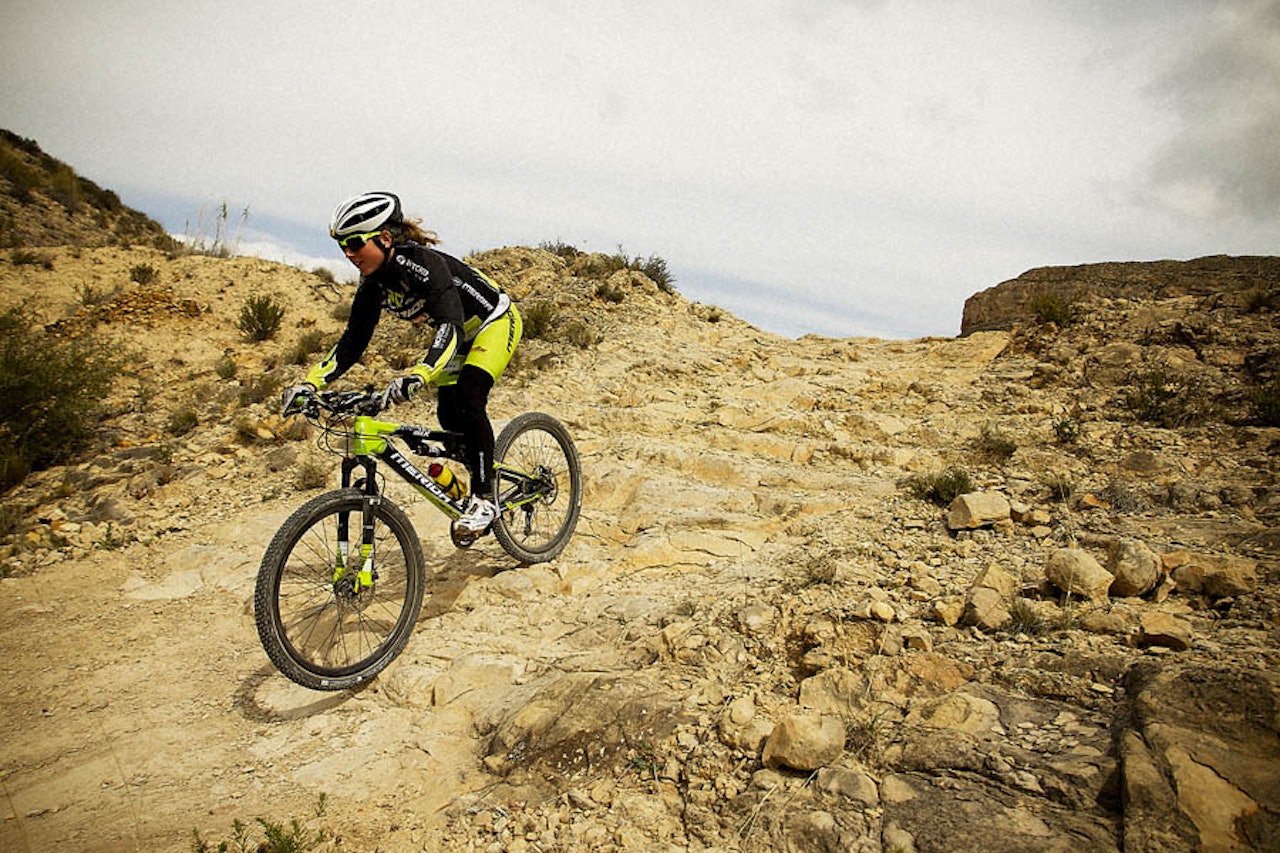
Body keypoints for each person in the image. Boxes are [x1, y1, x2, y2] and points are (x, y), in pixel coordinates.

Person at [281, 191, 522, 535]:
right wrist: (310, 384)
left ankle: (484, 498)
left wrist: (419, 375)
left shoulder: (424, 266)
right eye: (342, 246)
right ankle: (474, 475)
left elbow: (450, 326)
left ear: (384, 237)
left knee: (469, 399)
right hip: (457, 335)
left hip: (492, 323)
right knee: (448, 416)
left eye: (354, 243)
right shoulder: (373, 283)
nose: (348, 253)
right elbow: (352, 343)